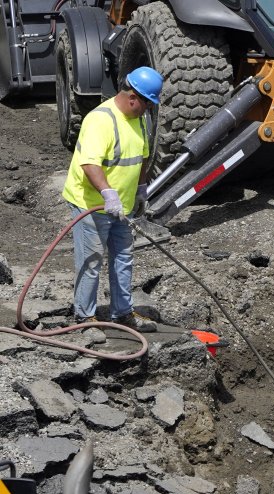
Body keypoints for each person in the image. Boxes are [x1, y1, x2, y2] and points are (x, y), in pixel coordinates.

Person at [61, 66, 164, 333]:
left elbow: (141, 156)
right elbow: (90, 164)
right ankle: (84, 317)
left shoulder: (139, 119)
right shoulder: (100, 120)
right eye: (147, 104)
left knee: (123, 257)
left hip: (123, 207)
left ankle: (122, 313)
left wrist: (141, 189)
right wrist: (108, 194)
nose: (148, 110)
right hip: (91, 204)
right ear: (133, 97)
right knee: (92, 259)